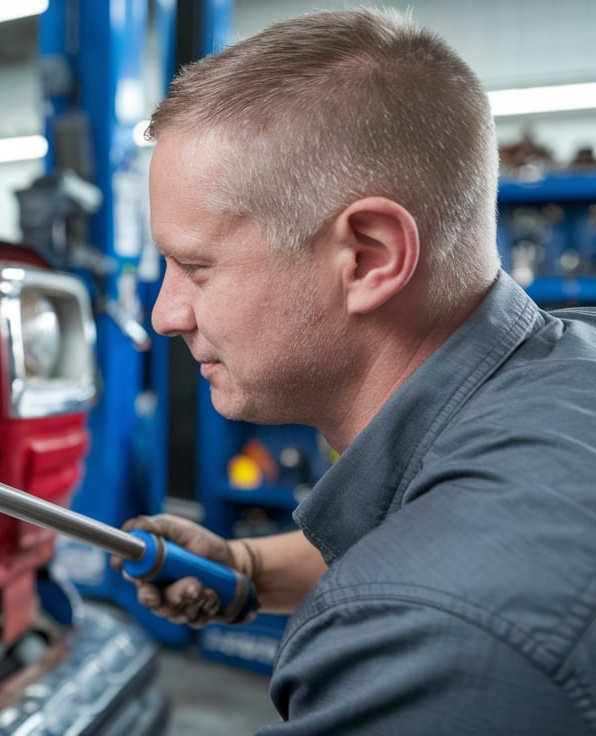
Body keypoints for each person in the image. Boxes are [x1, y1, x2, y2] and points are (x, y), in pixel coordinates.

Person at [117, 7, 596, 734]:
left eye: (194, 266)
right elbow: (435, 527)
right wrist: (244, 568)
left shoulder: (429, 642)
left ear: (369, 257)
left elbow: (436, 580)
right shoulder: (568, 363)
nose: (165, 314)